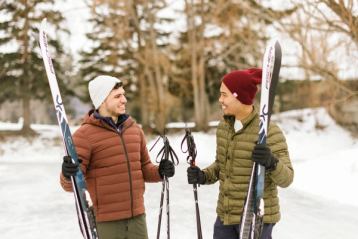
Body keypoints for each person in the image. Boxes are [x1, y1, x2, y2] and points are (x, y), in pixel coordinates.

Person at [60, 75, 175, 239]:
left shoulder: (135, 130)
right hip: (106, 222)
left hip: (137, 219)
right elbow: (71, 186)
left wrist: (160, 172)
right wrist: (67, 174)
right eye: (117, 96)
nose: (124, 100)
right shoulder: (84, 136)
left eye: (123, 94)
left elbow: (144, 169)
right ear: (102, 101)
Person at [187, 68, 294, 239]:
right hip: (225, 217)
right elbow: (221, 165)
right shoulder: (224, 127)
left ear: (239, 96)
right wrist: (202, 176)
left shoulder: (268, 131)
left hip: (256, 219)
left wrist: (271, 162)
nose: (220, 99)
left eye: (224, 95)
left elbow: (287, 178)